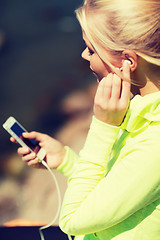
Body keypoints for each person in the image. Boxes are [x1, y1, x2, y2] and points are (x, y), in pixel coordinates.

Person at [11, 0, 160, 239]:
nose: (83, 55)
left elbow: (72, 219)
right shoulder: (143, 110)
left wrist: (104, 126)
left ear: (128, 62)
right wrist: (66, 160)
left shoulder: (154, 143)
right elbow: (113, 188)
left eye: (91, 49)